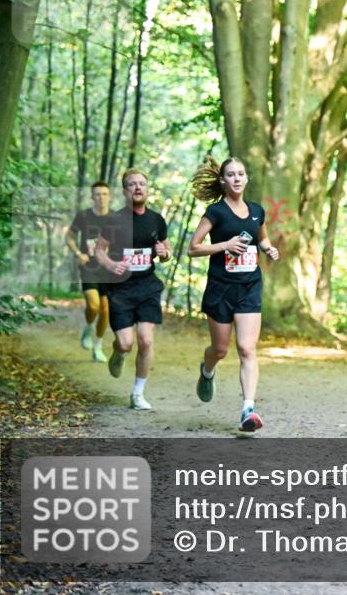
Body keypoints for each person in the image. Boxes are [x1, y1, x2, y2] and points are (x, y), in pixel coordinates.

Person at [187, 157, 279, 432]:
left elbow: (261, 237)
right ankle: (207, 370)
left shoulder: (256, 211)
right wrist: (224, 245)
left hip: (249, 287)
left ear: (246, 178)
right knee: (221, 349)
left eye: (241, 174)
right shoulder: (215, 213)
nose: (237, 178)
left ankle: (247, 410)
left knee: (247, 348)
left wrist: (268, 249)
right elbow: (194, 248)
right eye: (231, 174)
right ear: (223, 181)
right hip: (221, 288)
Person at [94, 168, 171, 410]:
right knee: (126, 343)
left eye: (142, 183)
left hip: (148, 286)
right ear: (125, 190)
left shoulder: (156, 219)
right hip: (121, 289)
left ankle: (137, 394)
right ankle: (118, 353)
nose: (137, 187)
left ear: (147, 189)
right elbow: (98, 250)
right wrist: (111, 264)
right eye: (132, 184)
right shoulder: (113, 220)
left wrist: (164, 253)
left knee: (146, 340)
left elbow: (166, 251)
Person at [65, 181, 112, 362]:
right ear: (92, 197)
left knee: (105, 309)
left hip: (108, 269)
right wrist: (78, 253)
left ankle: (98, 346)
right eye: (98, 194)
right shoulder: (84, 216)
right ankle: (88, 328)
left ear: (110, 196)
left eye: (104, 194)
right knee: (93, 306)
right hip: (89, 267)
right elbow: (69, 235)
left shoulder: (115, 218)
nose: (101, 197)